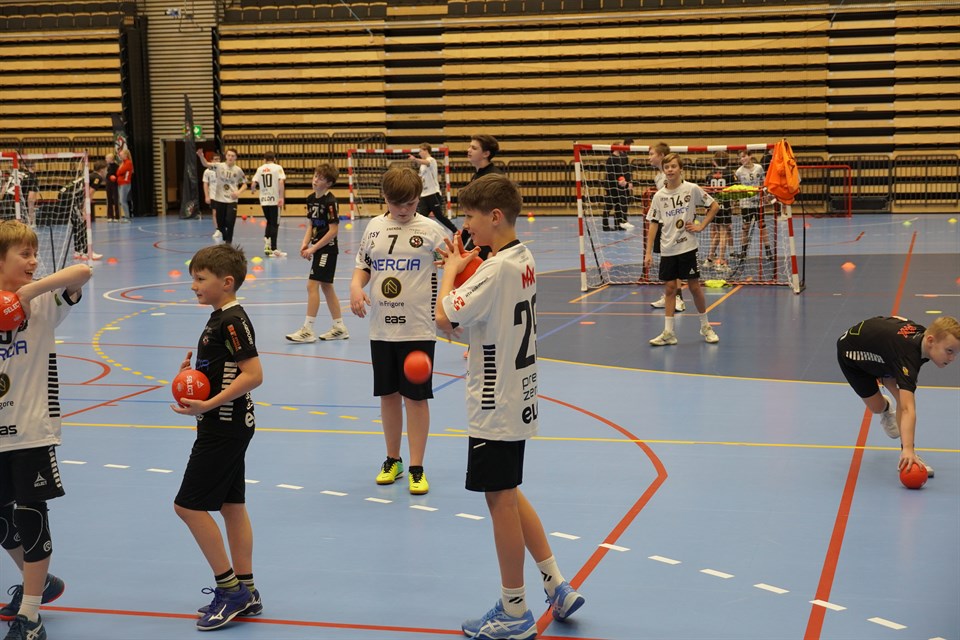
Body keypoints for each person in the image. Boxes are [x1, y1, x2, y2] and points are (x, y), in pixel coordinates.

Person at [435, 174, 585, 640]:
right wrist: (471, 267)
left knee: (498, 498)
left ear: (495, 216)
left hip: (493, 399)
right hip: (519, 392)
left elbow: (443, 316)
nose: (466, 226)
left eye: (471, 217)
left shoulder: (494, 269)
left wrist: (451, 269)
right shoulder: (522, 258)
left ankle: (514, 610)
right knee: (510, 491)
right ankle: (556, 584)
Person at [0, 220, 93, 640]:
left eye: (35, 253)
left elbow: (82, 272)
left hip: (32, 431)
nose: (34, 261)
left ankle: (31, 616)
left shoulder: (42, 302)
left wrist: (26, 293)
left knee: (30, 514)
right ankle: (40, 582)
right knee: (2, 519)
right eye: (24, 254)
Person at [171, 243, 264, 632]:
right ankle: (247, 588)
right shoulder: (219, 319)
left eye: (200, 278)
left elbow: (253, 374)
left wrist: (209, 404)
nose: (193, 285)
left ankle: (230, 590)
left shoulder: (232, 321)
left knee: (188, 506)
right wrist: (192, 377)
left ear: (226, 282)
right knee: (231, 505)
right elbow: (225, 370)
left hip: (223, 426)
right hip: (228, 423)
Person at [349, 166, 447, 495]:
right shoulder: (374, 227)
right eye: (396, 204)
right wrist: (355, 286)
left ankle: (417, 466)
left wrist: (448, 308)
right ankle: (393, 459)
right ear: (385, 198)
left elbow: (452, 267)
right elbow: (363, 266)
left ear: (419, 199)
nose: (403, 210)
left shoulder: (431, 231)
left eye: (410, 204)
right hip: (381, 329)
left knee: (416, 399)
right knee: (388, 396)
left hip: (417, 329)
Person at [837, 315, 960, 478]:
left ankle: (907, 453)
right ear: (931, 340)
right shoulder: (908, 357)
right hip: (853, 357)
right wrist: (908, 450)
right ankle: (887, 410)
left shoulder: (922, 337)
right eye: (949, 351)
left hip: (884, 356)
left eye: (956, 353)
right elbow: (908, 409)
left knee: (901, 395)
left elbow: (898, 319)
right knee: (877, 407)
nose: (952, 358)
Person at [644, 152, 720, 346]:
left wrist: (701, 226)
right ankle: (669, 332)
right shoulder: (659, 196)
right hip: (667, 248)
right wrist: (648, 252)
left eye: (673, 166)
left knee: (694, 287)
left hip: (687, 247)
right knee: (670, 288)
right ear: (663, 170)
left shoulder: (691, 189)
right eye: (666, 167)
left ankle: (706, 326)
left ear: (680, 169)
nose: (670, 170)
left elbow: (714, 206)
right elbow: (653, 223)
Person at [286, 164, 348, 343]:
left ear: (328, 183)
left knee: (311, 286)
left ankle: (308, 330)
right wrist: (305, 243)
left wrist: (313, 249)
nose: (315, 180)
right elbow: (311, 225)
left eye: (320, 178)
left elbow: (333, 230)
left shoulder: (330, 202)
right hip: (318, 247)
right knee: (327, 287)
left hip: (327, 249)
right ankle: (339, 327)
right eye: (315, 176)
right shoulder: (311, 199)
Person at [647, 142, 686, 312]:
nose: (649, 157)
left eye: (652, 154)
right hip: (662, 224)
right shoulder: (658, 177)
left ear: (661, 156)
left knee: (674, 261)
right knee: (666, 261)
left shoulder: (671, 177)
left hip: (673, 226)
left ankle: (678, 297)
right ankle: (669, 295)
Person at [461, 134, 503, 256]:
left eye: (474, 148)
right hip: (477, 237)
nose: (469, 150)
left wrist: (492, 249)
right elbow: (472, 213)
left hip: (488, 242)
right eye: (469, 147)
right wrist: (461, 241)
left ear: (486, 154)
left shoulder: (494, 178)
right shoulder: (476, 177)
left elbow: (499, 214)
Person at [56, 161, 104, 261]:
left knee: (77, 224)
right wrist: (85, 209)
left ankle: (78, 251)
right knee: (82, 224)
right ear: (102, 169)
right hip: (69, 196)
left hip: (64, 194)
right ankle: (87, 252)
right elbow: (89, 194)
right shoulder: (98, 177)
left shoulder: (90, 175)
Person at [198, 149, 247, 245]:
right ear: (226, 156)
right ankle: (225, 235)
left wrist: (238, 192)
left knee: (230, 222)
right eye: (229, 155)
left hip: (232, 200)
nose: (230, 157)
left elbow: (245, 184)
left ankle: (228, 243)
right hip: (219, 199)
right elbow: (205, 164)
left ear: (235, 158)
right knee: (220, 224)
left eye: (233, 156)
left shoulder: (238, 170)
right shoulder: (219, 166)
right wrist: (201, 156)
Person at [732, 151, 772, 262]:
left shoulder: (759, 168)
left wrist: (766, 195)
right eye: (740, 158)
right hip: (746, 203)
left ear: (750, 156)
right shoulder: (739, 172)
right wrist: (735, 200)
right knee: (746, 227)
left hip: (758, 202)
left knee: (762, 225)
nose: (742, 159)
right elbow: (737, 187)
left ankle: (768, 251)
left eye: (744, 156)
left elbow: (763, 183)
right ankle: (743, 252)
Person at [409, 143, 457, 235]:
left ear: (426, 150)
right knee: (422, 216)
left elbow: (427, 163)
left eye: (420, 151)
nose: (419, 153)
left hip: (432, 193)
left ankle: (455, 230)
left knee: (439, 215)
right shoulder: (422, 166)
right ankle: (419, 234)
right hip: (424, 194)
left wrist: (414, 159)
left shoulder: (431, 160)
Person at [250, 152, 286, 257]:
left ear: (264, 159)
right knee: (275, 223)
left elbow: (253, 184)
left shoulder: (260, 169)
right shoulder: (278, 168)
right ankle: (274, 249)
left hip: (264, 200)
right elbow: (281, 182)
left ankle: (267, 244)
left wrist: (253, 190)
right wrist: (281, 197)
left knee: (269, 222)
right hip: (274, 199)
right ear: (274, 159)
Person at [704, 150, 735, 269]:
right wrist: (733, 203)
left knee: (718, 233)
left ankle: (710, 258)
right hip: (725, 207)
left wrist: (707, 207)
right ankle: (721, 262)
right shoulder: (730, 174)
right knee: (723, 233)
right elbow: (735, 190)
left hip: (714, 207)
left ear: (714, 162)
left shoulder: (710, 175)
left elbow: (706, 193)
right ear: (727, 161)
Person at [603, 138, 635, 231]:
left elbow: (626, 171)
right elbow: (610, 174)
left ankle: (618, 225)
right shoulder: (610, 159)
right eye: (621, 146)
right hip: (611, 186)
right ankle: (605, 226)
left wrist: (628, 182)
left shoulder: (623, 157)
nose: (623, 147)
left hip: (621, 185)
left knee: (618, 205)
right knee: (609, 205)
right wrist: (618, 181)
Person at [202, 152, 221, 230]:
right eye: (215, 159)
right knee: (215, 213)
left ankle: (224, 227)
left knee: (223, 213)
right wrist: (207, 196)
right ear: (211, 161)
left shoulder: (223, 169)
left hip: (223, 195)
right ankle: (217, 229)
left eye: (219, 159)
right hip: (213, 195)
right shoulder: (207, 171)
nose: (217, 161)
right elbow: (205, 184)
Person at [116, 148, 133, 223]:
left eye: (121, 155)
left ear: (125, 155)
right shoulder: (123, 163)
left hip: (125, 183)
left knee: (123, 201)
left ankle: (127, 218)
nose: (120, 156)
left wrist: (119, 170)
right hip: (120, 183)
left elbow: (119, 172)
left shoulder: (128, 163)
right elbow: (118, 172)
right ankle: (126, 217)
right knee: (122, 201)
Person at [104, 152, 120, 222]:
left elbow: (118, 175)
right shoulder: (106, 166)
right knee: (109, 200)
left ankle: (117, 216)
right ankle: (110, 216)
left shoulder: (117, 166)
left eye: (107, 158)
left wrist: (114, 177)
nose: (106, 159)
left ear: (111, 159)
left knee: (116, 200)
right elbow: (106, 175)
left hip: (115, 184)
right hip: (108, 184)